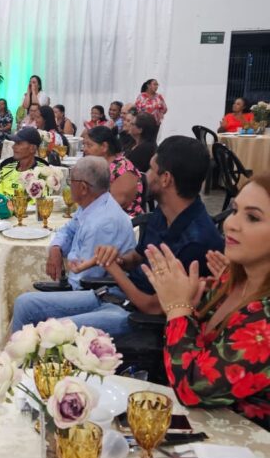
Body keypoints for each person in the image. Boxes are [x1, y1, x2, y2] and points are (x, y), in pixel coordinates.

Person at [11, 136, 224, 335]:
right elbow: (138, 257)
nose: (145, 176)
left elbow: (153, 307)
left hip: (136, 317)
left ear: (166, 179)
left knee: (50, 332)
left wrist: (114, 269)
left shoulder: (197, 242)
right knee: (25, 304)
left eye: (151, 169)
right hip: (117, 295)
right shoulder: (164, 212)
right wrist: (119, 258)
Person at [141, 174, 270, 428]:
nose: (231, 224)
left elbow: (191, 390)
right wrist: (189, 303)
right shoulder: (233, 279)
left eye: (253, 217)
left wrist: (178, 307)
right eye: (235, 210)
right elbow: (198, 344)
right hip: (201, 428)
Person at [11, 157, 136, 331]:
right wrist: (56, 248)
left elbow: (84, 281)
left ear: (83, 188)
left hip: (102, 295)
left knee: (26, 305)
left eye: (71, 181)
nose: (69, 186)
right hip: (92, 288)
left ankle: (19, 346)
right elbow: (68, 229)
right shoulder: (94, 204)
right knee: (25, 302)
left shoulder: (102, 224)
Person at [83, 124, 143, 216]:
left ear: (104, 147)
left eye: (89, 145)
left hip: (123, 219)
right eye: (84, 145)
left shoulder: (122, 168)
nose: (84, 149)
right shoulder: (97, 165)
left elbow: (115, 204)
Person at [0, 126, 48, 197]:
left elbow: (41, 201)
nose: (13, 147)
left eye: (18, 143)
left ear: (32, 148)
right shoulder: (6, 167)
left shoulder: (43, 172)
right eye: (14, 143)